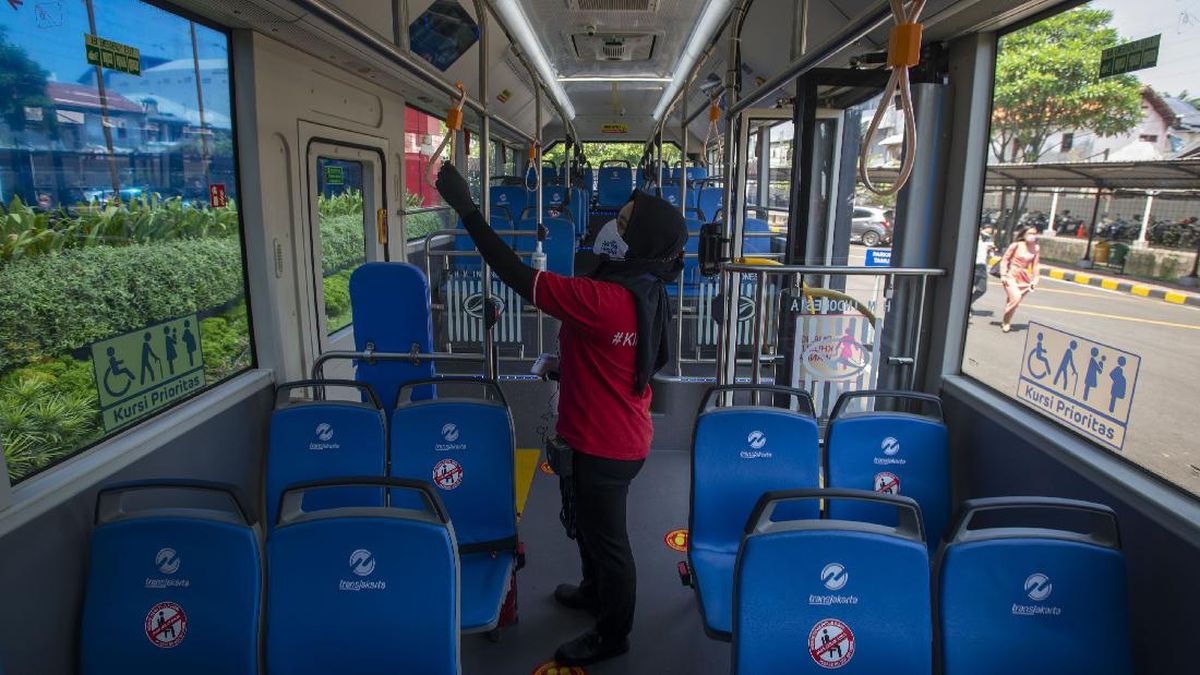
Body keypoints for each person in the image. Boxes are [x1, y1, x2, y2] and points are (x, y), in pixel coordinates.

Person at [435, 163, 687, 666]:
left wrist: (467, 209)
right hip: (621, 431)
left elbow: (515, 274)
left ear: (640, 239)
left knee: (609, 541)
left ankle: (613, 634)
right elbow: (618, 353)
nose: (613, 223)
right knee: (595, 531)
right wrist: (566, 363)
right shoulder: (646, 288)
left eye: (625, 220)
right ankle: (595, 591)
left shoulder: (603, 298)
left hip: (604, 441)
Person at [999, 226, 1041, 332]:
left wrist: (1035, 280)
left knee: (1014, 301)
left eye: (1034, 234)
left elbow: (1035, 265)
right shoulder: (1016, 245)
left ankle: (1007, 319)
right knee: (1015, 298)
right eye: (1030, 233)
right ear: (1024, 234)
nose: (1032, 236)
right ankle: (1006, 322)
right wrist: (1003, 274)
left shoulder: (1036, 248)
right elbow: (1005, 260)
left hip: (1024, 278)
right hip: (1011, 275)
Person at [971, 226, 995, 306]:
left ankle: (969, 302)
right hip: (973, 266)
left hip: (982, 267)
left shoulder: (989, 243)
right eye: (986, 232)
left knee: (982, 289)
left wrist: (990, 251)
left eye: (989, 233)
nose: (987, 234)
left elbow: (990, 257)